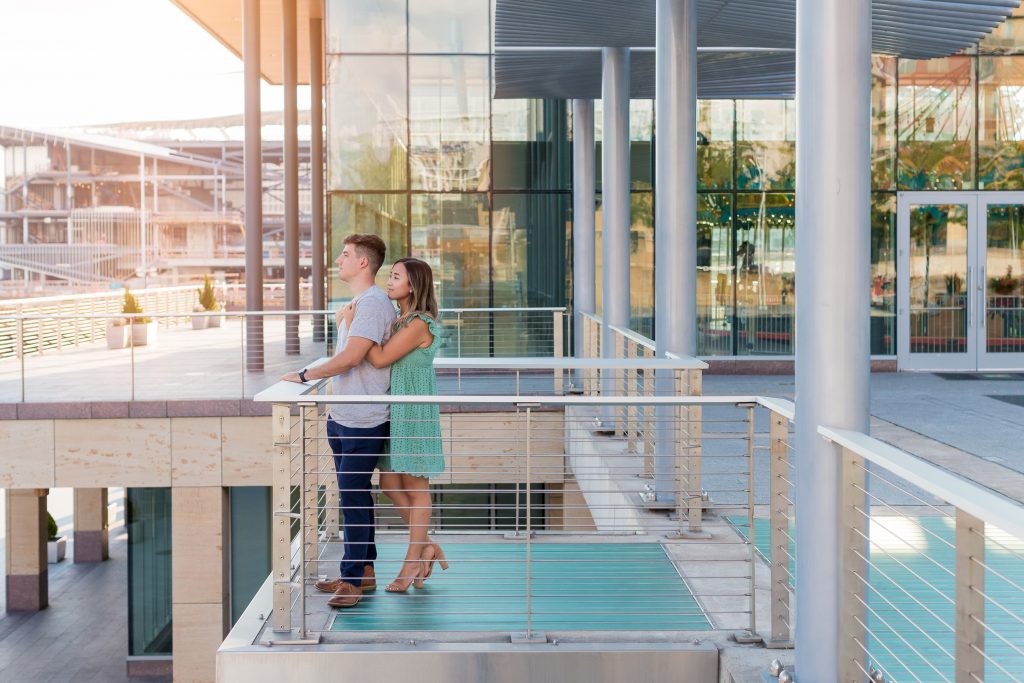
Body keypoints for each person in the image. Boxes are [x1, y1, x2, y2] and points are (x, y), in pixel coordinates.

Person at [282, 233, 395, 609]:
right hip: (343, 415)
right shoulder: (359, 304)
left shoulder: (374, 304)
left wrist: (303, 375)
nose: (339, 259)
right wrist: (339, 321)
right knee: (353, 496)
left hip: (364, 418)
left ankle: (352, 580)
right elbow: (347, 355)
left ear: (364, 262)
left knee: (353, 497)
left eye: (346, 254)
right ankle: (362, 571)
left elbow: (349, 360)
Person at [340, 257, 447, 593]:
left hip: (414, 412)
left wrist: (361, 328)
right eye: (390, 275)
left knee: (416, 488)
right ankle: (425, 545)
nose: (389, 281)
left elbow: (381, 358)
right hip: (395, 411)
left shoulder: (418, 322)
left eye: (396, 277)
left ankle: (411, 562)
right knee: (388, 482)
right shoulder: (400, 318)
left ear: (413, 285)